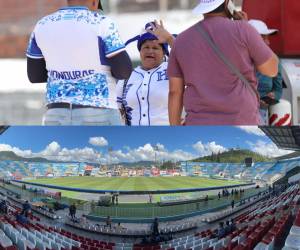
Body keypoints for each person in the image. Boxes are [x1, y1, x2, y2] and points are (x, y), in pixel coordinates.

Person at [168, 0, 279, 125]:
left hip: (198, 123)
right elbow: (272, 69)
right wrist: (249, 30)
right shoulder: (244, 29)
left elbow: (175, 92)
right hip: (241, 121)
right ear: (227, 3)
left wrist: (175, 129)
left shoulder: (181, 40)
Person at [26, 0, 132, 125]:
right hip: (99, 113)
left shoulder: (42, 25)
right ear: (94, 2)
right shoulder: (101, 23)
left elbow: (35, 76)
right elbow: (124, 71)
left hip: (56, 112)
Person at [117, 20, 175, 125]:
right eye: (146, 47)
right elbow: (116, 111)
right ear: (140, 51)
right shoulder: (126, 77)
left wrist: (170, 39)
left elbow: (191, 63)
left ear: (164, 53)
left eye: (155, 48)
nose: (150, 51)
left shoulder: (173, 70)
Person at [248, 19, 283, 125]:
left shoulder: (274, 60)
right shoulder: (238, 61)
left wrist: (274, 96)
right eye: (263, 38)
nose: (268, 42)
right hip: (241, 113)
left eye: (267, 37)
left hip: (262, 113)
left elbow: (278, 89)